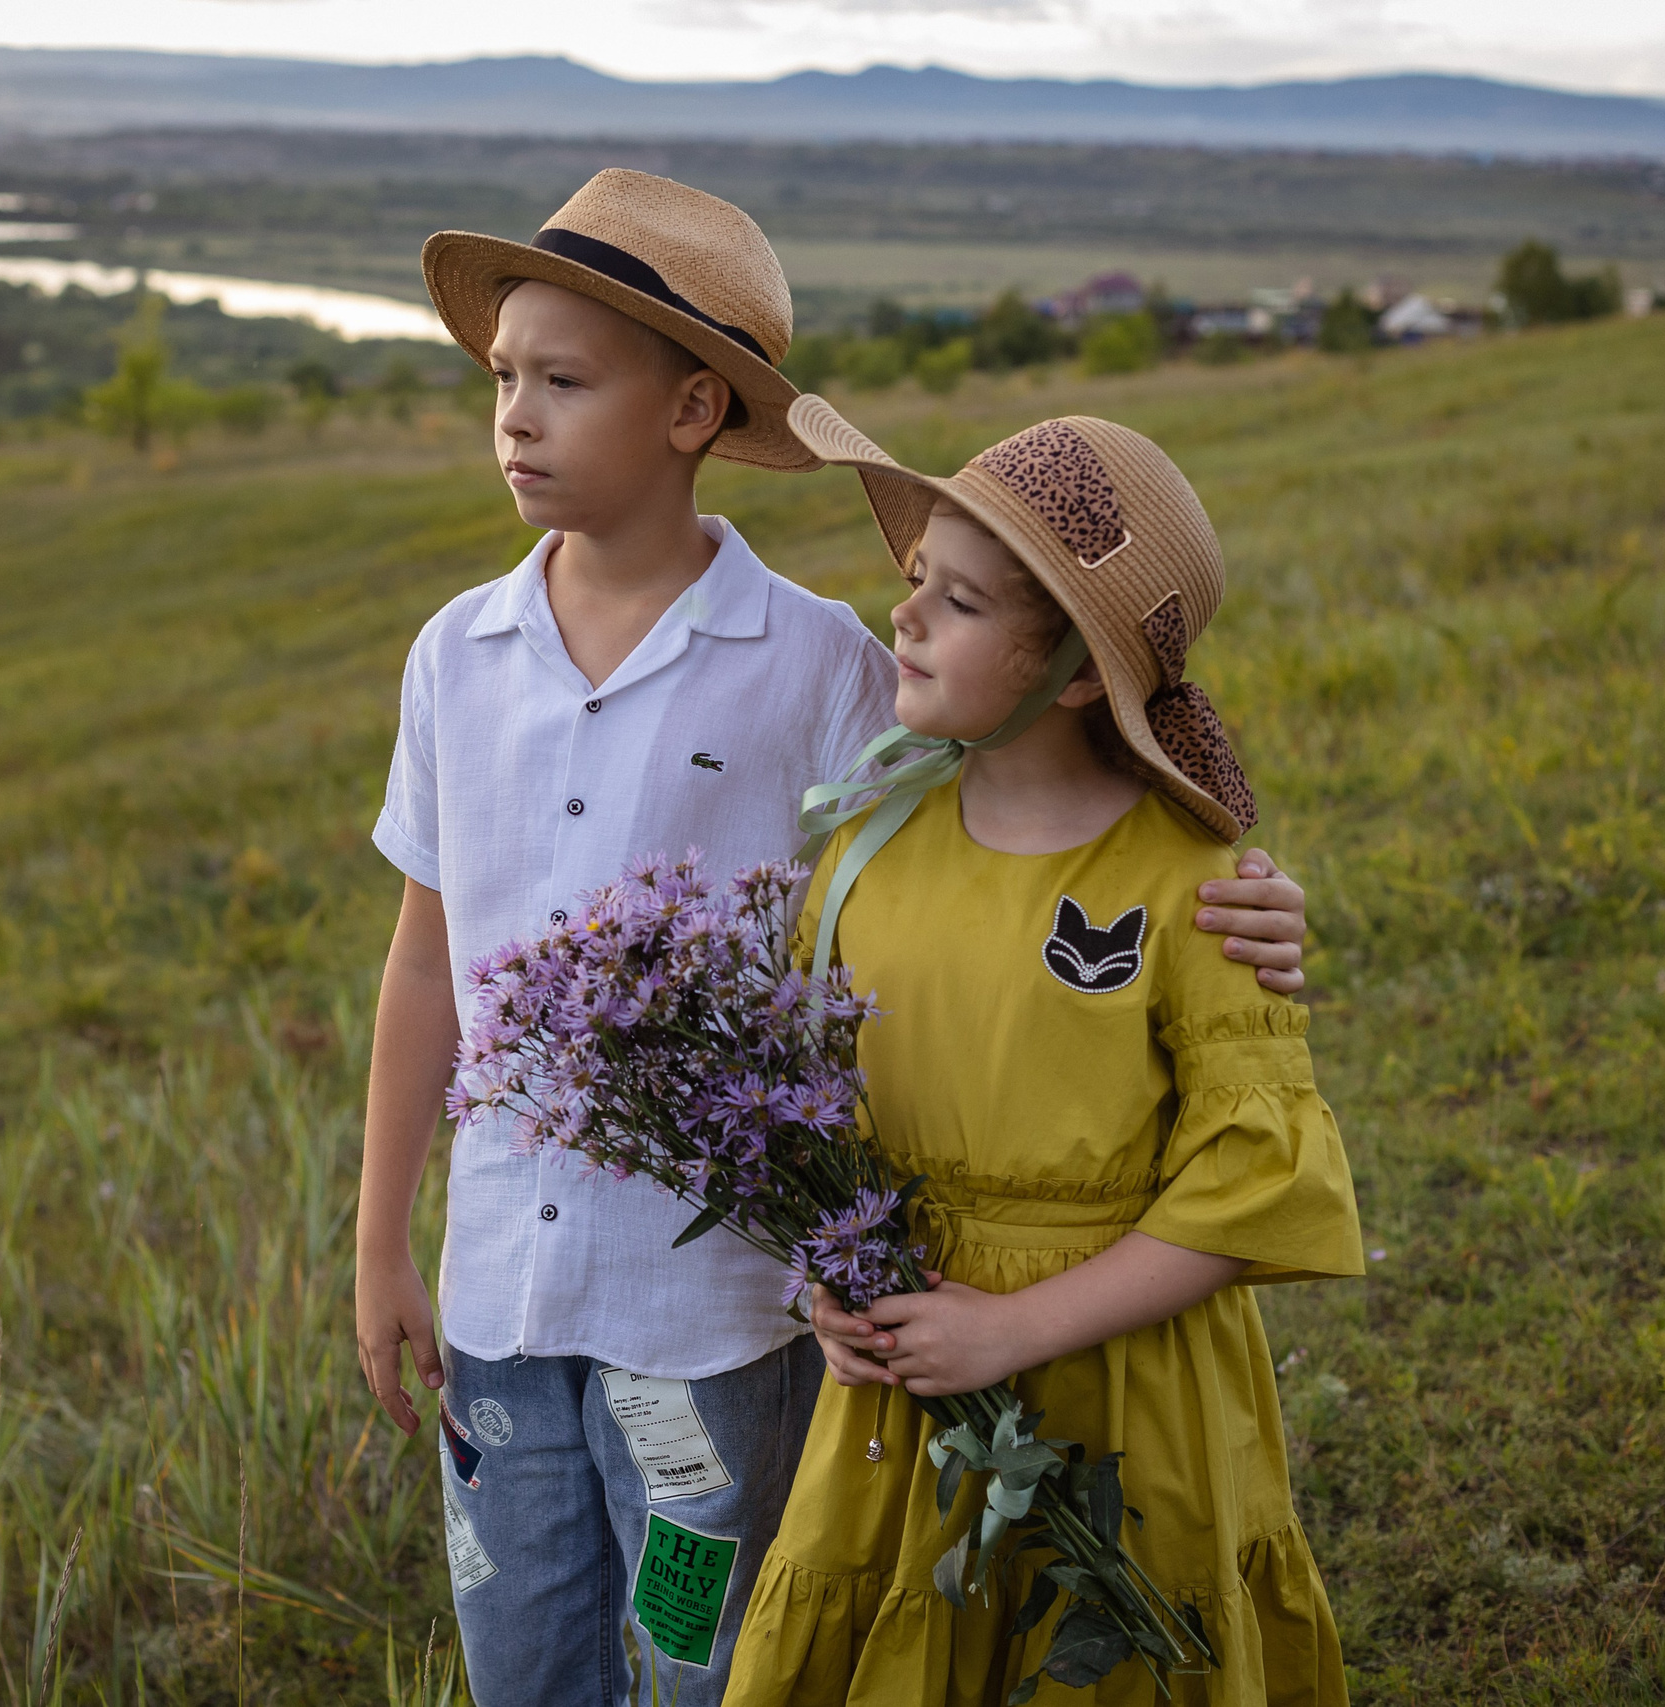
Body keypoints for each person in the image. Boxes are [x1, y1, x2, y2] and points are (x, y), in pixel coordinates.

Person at [355, 170, 1314, 1706]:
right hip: (494, 1303)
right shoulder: (453, 656)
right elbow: (426, 963)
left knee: (700, 1663)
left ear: (689, 412)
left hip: (713, 1314)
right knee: (518, 1662)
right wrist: (378, 1237)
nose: (515, 417)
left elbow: (1018, 813)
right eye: (503, 380)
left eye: (564, 381)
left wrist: (1244, 896)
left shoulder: (822, 667)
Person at [725, 399, 1364, 1707]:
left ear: (1077, 672)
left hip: (1122, 1381)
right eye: (915, 581)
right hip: (908, 1386)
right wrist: (829, 1293)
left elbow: (1254, 1184)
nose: (903, 616)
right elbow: (809, 1120)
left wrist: (1016, 1329)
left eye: (958, 602)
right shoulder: (864, 847)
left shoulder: (1191, 880)